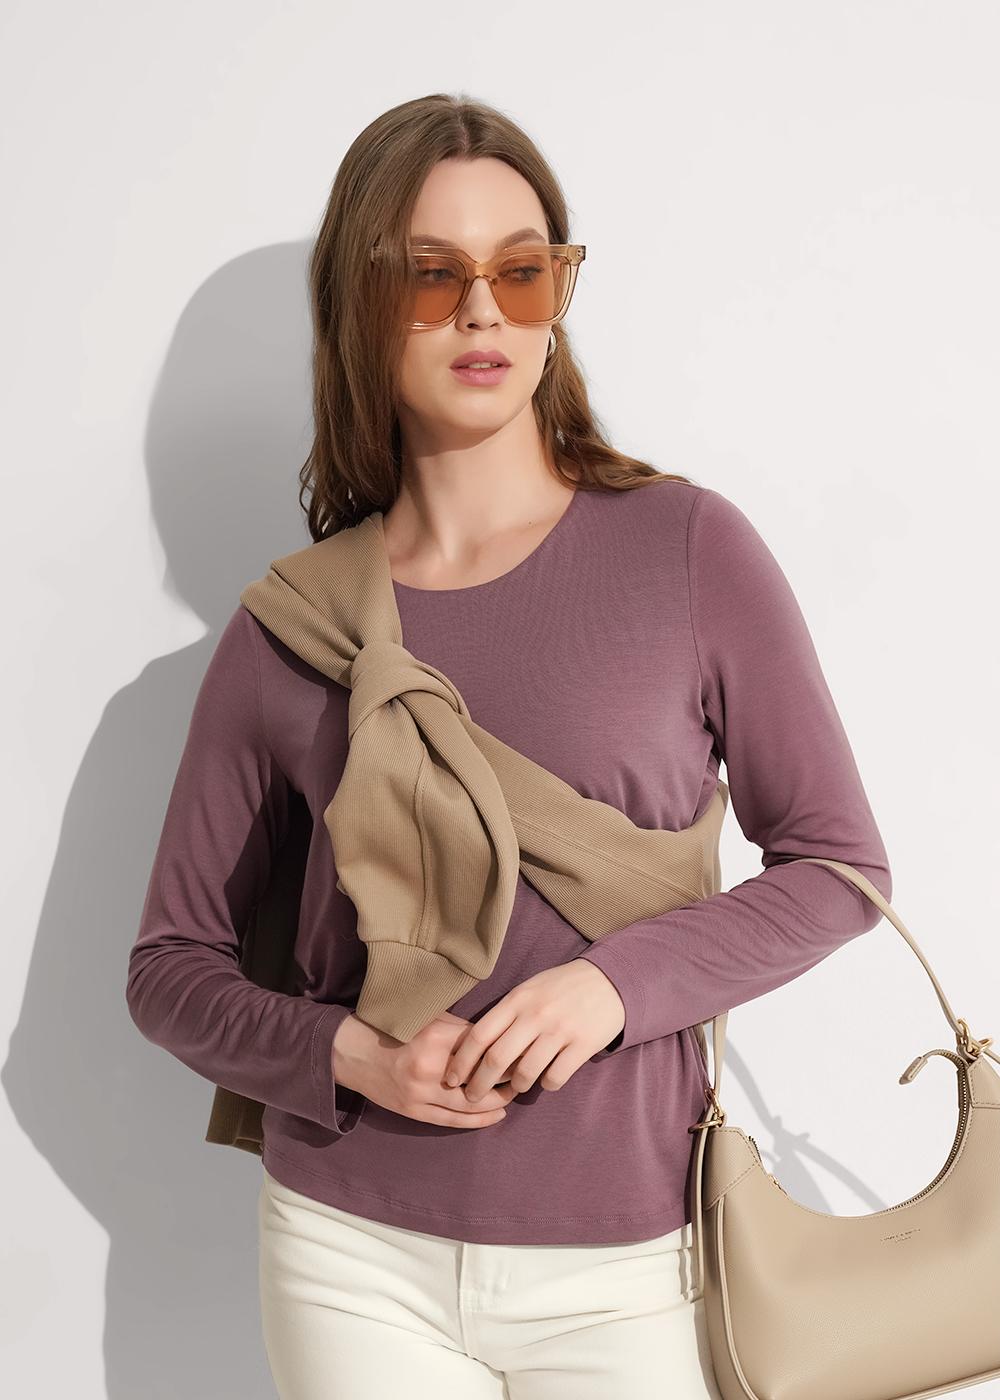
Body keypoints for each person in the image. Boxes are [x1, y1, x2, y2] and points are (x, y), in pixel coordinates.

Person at [126, 92, 892, 1399]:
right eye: (433, 276)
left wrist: (616, 987)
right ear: (361, 306)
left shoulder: (689, 550)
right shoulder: (294, 627)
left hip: (631, 1262)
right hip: (349, 1256)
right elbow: (168, 968)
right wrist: (349, 1057)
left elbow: (839, 868)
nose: (483, 312)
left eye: (522, 271)